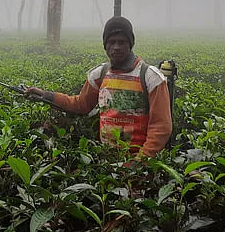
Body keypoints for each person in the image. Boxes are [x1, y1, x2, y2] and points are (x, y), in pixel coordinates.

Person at [26, 17, 172, 157]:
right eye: (111, 42)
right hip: (106, 157)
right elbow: (80, 104)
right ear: (105, 45)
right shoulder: (99, 74)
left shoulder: (151, 77)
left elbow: (161, 127)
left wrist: (140, 162)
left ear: (130, 44)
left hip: (138, 163)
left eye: (122, 42)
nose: (116, 47)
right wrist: (45, 95)